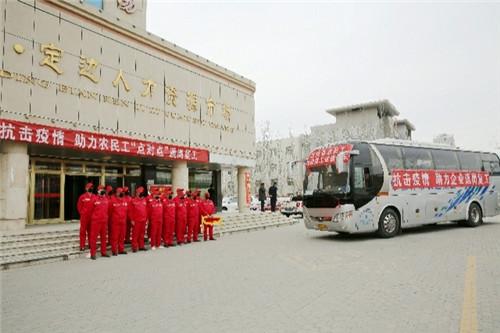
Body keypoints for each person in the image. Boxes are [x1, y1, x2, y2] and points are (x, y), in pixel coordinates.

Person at [89, 185, 110, 260]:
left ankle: (103, 252)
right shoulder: (94, 199)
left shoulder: (106, 199)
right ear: (98, 191)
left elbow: (108, 210)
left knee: (104, 238)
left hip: (104, 221)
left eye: (103, 189)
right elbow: (90, 210)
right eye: (101, 189)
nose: (103, 191)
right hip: (96, 221)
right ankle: (93, 254)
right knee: (93, 238)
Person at [109, 187, 128, 256]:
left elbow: (127, 211)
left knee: (122, 236)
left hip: (123, 221)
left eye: (122, 192)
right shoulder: (112, 201)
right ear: (116, 193)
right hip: (115, 222)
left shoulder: (125, 200)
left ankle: (121, 249)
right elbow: (110, 212)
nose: (121, 193)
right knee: (115, 236)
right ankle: (114, 250)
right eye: (119, 192)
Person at [129, 186, 148, 252]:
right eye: (140, 192)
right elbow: (130, 211)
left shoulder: (144, 200)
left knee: (142, 234)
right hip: (136, 220)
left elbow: (146, 210)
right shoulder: (133, 201)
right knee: (135, 234)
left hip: (143, 220)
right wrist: (132, 220)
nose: (141, 194)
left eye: (142, 192)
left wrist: (146, 218)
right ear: (137, 193)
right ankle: (134, 247)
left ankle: (141, 246)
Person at [77, 182, 94, 251]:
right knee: (83, 231)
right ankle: (82, 246)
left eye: (92, 187)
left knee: (91, 232)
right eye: (89, 187)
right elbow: (79, 206)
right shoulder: (82, 197)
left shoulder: (94, 197)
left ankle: (91, 244)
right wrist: (82, 213)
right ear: (86, 188)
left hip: (92, 217)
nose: (91, 188)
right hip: (84, 217)